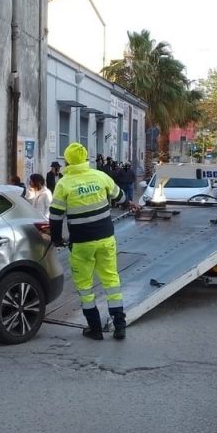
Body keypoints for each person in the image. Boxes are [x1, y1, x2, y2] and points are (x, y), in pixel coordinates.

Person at [49, 142, 130, 340]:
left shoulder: (64, 184)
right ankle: (119, 326)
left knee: (85, 286)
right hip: (105, 239)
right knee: (111, 281)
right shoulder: (100, 176)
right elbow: (121, 198)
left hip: (82, 243)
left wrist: (57, 239)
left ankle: (95, 328)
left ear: (67, 161)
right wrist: (127, 203)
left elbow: (55, 216)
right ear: (86, 158)